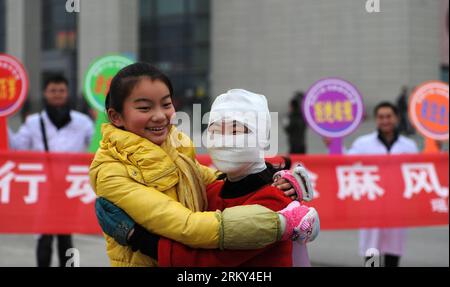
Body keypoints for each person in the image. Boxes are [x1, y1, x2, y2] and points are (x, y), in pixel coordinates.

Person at [89, 63, 320, 267]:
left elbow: (210, 177)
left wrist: (278, 174)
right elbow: (190, 223)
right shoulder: (112, 171)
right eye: (215, 129)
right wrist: (282, 222)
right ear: (116, 116)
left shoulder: (175, 148)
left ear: (262, 136)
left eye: (166, 104)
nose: (159, 116)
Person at [10, 74, 94, 267]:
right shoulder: (33, 122)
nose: (57, 94)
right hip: (44, 188)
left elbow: (98, 145)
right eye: (53, 90)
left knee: (66, 237)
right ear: (45, 93)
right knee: (43, 236)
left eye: (61, 90)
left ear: (67, 93)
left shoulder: (83, 122)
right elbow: (16, 147)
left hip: (71, 188)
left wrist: (101, 122)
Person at [347, 102, 418, 267]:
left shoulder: (410, 146)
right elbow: (343, 164)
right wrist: (333, 146)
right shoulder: (362, 144)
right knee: (372, 254)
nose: (385, 120)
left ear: (397, 118)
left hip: (398, 208)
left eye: (389, 116)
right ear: (376, 120)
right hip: (372, 207)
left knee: (394, 253)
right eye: (381, 117)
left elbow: (419, 171)